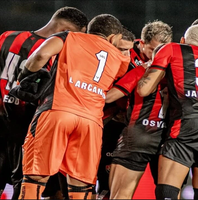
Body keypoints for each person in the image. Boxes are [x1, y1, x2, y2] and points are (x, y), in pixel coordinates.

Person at [14, 14, 130, 200]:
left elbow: (41, 55)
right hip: (91, 122)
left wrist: (24, 76)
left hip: (58, 111)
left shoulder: (69, 37)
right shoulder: (120, 58)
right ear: (113, 38)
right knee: (81, 185)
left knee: (35, 179)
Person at [0, 6, 88, 200]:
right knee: (24, 184)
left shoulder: (7, 36)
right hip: (28, 128)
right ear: (68, 30)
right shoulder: (59, 50)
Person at [137, 24, 198, 200]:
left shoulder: (172, 48)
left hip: (189, 124)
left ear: (182, 41)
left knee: (167, 192)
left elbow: (144, 90)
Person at [97, 20, 172, 199]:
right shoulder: (125, 54)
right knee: (106, 184)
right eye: (153, 50)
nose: (158, 55)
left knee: (167, 191)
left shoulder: (167, 63)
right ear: (142, 43)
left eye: (162, 50)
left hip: (150, 131)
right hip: (114, 121)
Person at [97, 27, 135, 199]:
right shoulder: (96, 61)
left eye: (128, 50)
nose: (125, 54)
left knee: (107, 182)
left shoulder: (132, 68)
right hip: (91, 122)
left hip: (113, 127)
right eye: (121, 49)